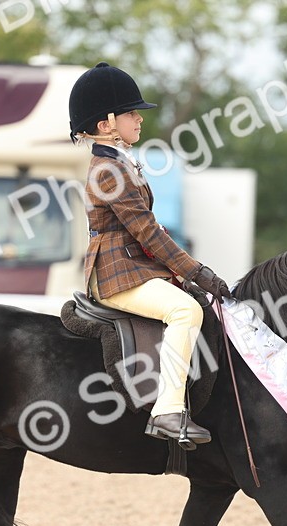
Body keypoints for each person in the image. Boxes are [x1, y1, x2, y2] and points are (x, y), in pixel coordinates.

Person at [68, 62, 230, 449]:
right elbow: (148, 231)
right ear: (106, 123)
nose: (139, 119)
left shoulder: (120, 161)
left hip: (133, 267)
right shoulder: (108, 171)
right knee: (184, 311)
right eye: (131, 113)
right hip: (115, 273)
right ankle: (167, 411)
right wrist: (197, 271)